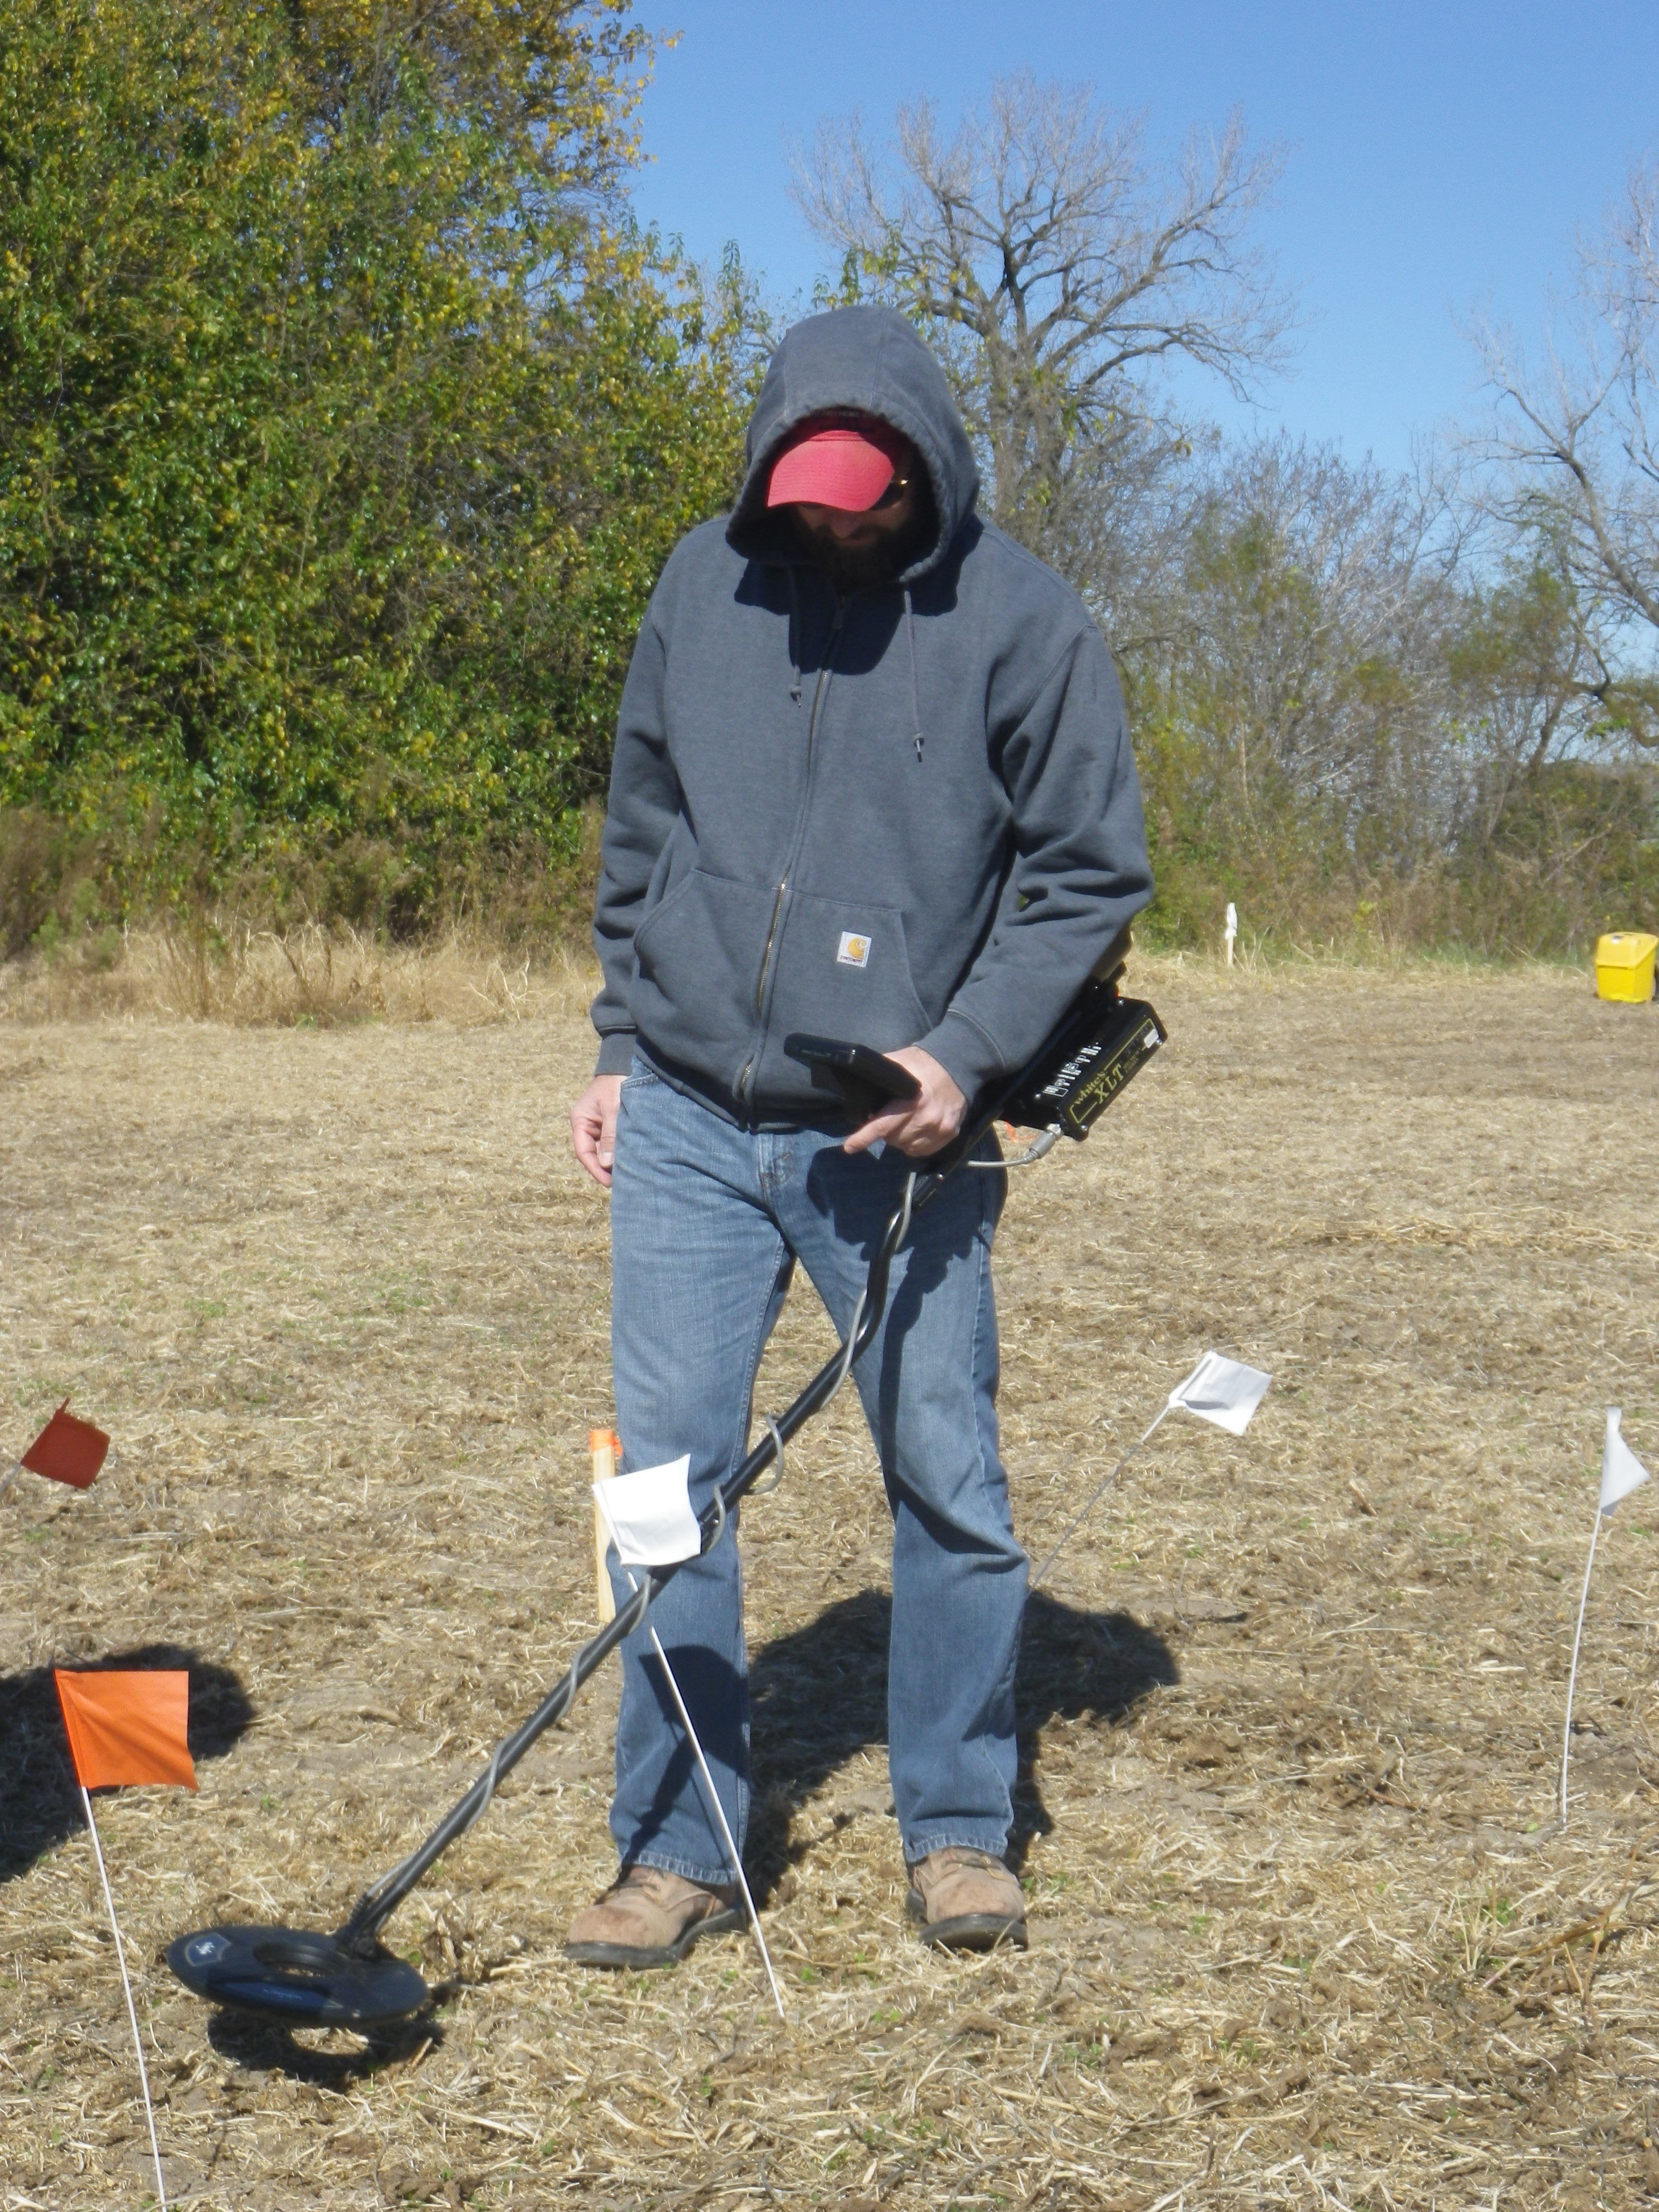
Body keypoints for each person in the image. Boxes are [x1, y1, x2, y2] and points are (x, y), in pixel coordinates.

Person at [566, 305, 1152, 1967]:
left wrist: (968, 1053)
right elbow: (644, 817)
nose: (836, 524)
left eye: (868, 496)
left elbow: (1087, 873)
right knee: (664, 1493)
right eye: (803, 496)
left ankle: (959, 1826)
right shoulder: (703, 581)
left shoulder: (1026, 619)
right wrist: (620, 1040)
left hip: (895, 1134)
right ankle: (676, 1846)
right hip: (686, 1117)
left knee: (947, 1484)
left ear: (928, 468)